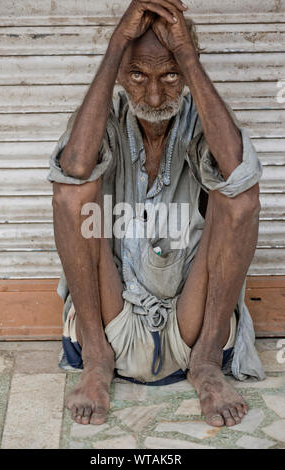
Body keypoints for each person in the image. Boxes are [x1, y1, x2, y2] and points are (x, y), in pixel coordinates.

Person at [47, 0, 265, 428]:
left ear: (184, 75)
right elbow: (72, 169)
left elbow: (238, 172)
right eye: (136, 75)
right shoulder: (104, 117)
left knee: (238, 194)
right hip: (110, 316)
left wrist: (187, 55)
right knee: (74, 193)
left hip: (194, 318)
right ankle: (94, 362)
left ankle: (206, 365)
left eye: (169, 76)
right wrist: (115, 47)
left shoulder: (203, 121)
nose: (153, 94)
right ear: (120, 76)